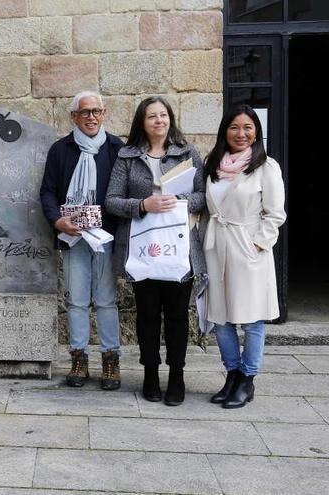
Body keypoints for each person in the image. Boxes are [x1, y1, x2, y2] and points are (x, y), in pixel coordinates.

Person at [106, 96, 206, 406]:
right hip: (144, 250)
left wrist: (181, 203)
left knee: (177, 317)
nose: (159, 120)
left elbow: (204, 195)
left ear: (170, 119)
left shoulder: (188, 154)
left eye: (163, 115)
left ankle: (177, 376)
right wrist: (142, 205)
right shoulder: (127, 157)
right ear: (142, 122)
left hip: (179, 250)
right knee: (147, 316)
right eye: (152, 116)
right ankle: (150, 373)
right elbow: (111, 200)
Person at [203, 104, 286, 409]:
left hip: (248, 248)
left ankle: (248, 379)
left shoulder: (266, 167)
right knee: (222, 318)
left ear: (256, 132)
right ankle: (232, 374)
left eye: (247, 127)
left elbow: (275, 214)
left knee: (251, 319)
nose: (241, 133)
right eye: (234, 127)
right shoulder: (213, 165)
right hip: (216, 246)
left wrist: (258, 245)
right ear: (225, 131)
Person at [39, 91, 123, 390]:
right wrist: (57, 220)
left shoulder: (116, 148)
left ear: (104, 113)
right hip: (73, 237)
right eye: (84, 112)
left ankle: (111, 360)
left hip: (106, 236)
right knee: (76, 300)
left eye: (96, 111)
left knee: (106, 300)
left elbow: (124, 189)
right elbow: (47, 190)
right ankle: (79, 358)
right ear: (73, 116)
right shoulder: (60, 150)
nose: (91, 117)